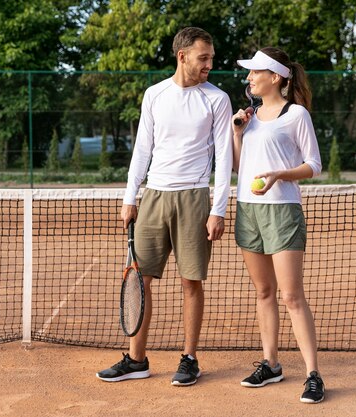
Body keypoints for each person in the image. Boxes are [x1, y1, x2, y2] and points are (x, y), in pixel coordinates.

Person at [96, 27, 233, 386]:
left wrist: (218, 209)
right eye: (204, 58)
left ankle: (189, 359)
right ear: (182, 56)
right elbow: (143, 149)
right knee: (140, 280)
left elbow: (224, 159)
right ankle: (136, 359)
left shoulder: (217, 99)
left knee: (191, 282)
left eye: (211, 58)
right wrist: (130, 197)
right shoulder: (155, 95)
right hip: (154, 197)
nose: (209, 65)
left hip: (194, 199)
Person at [231, 47, 325, 403]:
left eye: (255, 72)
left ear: (276, 77)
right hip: (248, 210)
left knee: (291, 296)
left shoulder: (296, 114)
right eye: (250, 73)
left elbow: (314, 165)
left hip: (282, 210)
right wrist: (238, 133)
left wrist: (279, 175)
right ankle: (270, 364)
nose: (250, 78)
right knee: (264, 293)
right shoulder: (249, 116)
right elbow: (241, 168)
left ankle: (313, 374)